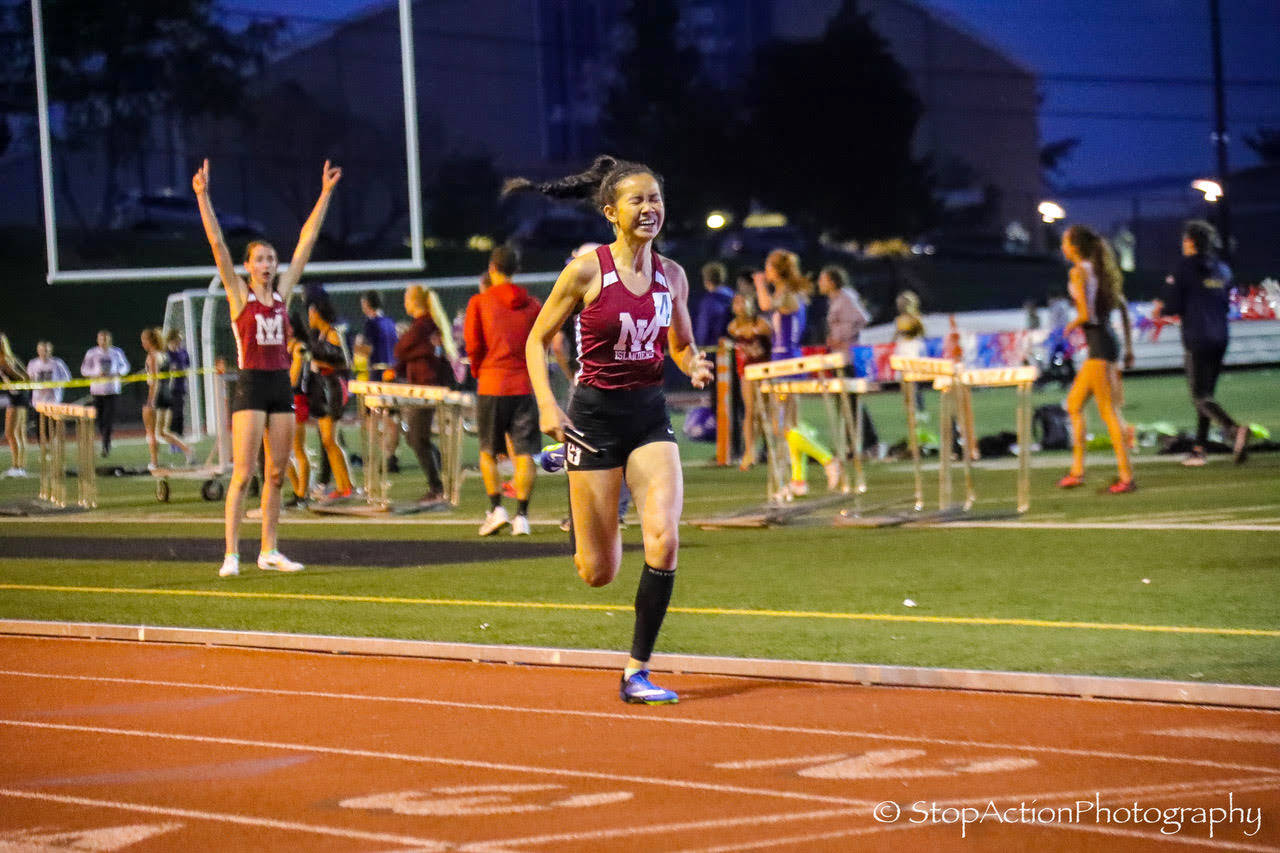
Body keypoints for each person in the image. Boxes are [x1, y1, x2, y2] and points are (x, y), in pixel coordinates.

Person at [511, 154, 713, 705]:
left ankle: (635, 671)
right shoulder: (584, 272)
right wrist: (550, 407)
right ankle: (570, 470)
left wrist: (694, 363)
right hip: (593, 418)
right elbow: (534, 340)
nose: (650, 208)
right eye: (637, 200)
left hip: (649, 417)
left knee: (665, 540)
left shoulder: (673, 275)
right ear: (610, 212)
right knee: (597, 572)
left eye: (656, 198)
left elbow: (679, 342)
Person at [193, 157, 341, 578]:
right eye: (260, 259)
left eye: (271, 258)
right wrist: (203, 197)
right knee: (243, 473)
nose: (268, 263)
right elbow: (219, 246)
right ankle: (231, 555)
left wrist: (325, 194)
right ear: (248, 266)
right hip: (252, 385)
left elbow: (306, 243)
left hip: (281, 384)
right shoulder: (240, 296)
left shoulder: (283, 295)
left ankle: (269, 550)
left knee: (277, 473)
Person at [1152, 219, 1250, 466]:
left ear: (1190, 241)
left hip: (1197, 336)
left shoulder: (1184, 267)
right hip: (1220, 336)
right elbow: (1227, 303)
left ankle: (1232, 429)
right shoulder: (1223, 269)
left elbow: (1172, 305)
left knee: (1200, 396)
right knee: (1207, 396)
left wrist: (1160, 309)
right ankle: (1199, 450)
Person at [465, 245, 543, 536]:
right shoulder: (533, 304)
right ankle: (522, 515)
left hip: (492, 384)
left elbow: (473, 346)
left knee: (487, 450)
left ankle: (496, 509)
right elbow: (541, 343)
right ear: (517, 269)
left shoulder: (480, 302)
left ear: (492, 268)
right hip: (523, 385)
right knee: (524, 454)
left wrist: (478, 371)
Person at [1056, 224, 1135, 493]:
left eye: (1065, 242)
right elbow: (1123, 308)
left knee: (1108, 412)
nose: (1062, 246)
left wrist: (1071, 325)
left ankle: (1126, 476)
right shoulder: (1100, 270)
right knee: (1074, 404)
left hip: (1099, 347)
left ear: (1074, 247)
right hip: (1105, 344)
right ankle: (1077, 471)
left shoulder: (1079, 272)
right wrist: (1128, 348)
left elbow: (1086, 314)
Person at [394, 284, 452, 505]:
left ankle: (437, 488)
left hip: (426, 387)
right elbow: (411, 354)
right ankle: (440, 474)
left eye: (407, 298)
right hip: (424, 385)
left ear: (414, 301)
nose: (404, 303)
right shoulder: (426, 325)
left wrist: (415, 354)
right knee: (414, 437)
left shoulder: (422, 325)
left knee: (418, 438)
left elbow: (400, 349)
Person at [818, 264, 879, 457]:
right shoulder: (835, 299)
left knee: (850, 400)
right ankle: (854, 442)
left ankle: (867, 443)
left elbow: (862, 319)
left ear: (833, 281)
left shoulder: (846, 297)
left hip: (849, 356)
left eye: (823, 279)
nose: (819, 283)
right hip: (839, 356)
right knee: (844, 401)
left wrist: (842, 338)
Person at [307, 297, 355, 501]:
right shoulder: (323, 334)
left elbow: (344, 360)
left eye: (311, 312)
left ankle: (347, 487)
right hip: (324, 388)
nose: (309, 316)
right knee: (328, 441)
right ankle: (344, 486)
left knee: (330, 439)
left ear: (318, 313)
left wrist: (320, 360)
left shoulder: (333, 334)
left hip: (332, 389)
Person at [727, 293, 772, 470]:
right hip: (746, 371)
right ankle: (749, 451)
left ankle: (764, 447)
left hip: (765, 369)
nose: (739, 305)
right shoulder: (733, 326)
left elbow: (762, 333)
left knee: (764, 412)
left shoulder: (760, 323)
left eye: (742, 300)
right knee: (750, 410)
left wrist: (750, 332)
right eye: (736, 302)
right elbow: (737, 333)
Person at [140, 327, 192, 470]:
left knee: (151, 432)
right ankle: (187, 449)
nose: (142, 343)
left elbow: (154, 380)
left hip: (158, 395)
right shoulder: (163, 355)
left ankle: (154, 462)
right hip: (167, 394)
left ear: (149, 341)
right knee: (162, 432)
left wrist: (151, 400)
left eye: (144, 340)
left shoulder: (152, 356)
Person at [80, 330, 130, 456]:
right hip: (97, 391)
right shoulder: (92, 353)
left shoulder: (117, 352)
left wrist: (118, 372)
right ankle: (105, 438)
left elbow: (125, 367)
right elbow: (84, 370)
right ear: (97, 340)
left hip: (112, 390)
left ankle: (106, 444)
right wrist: (96, 374)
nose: (103, 342)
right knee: (100, 419)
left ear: (110, 340)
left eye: (106, 339)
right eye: (101, 339)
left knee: (108, 418)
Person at [892, 291, 927, 415]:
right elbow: (895, 336)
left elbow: (922, 334)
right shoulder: (899, 319)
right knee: (904, 382)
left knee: (914, 381)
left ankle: (920, 409)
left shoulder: (916, 318)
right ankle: (909, 408)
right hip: (902, 349)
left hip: (912, 349)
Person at [0, 333, 29, 477]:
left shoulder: (4, 360)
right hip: (20, 397)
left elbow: (23, 377)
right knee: (19, 432)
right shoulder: (12, 358)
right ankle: (20, 466)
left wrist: (10, 382)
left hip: (17, 398)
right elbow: (27, 376)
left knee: (10, 432)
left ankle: (17, 467)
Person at [164, 330, 191, 439]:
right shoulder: (165, 354)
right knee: (171, 413)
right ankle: (171, 436)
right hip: (167, 387)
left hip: (180, 386)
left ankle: (179, 435)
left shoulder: (183, 352)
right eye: (176, 340)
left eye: (180, 340)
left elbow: (187, 365)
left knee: (179, 412)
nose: (179, 343)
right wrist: (169, 369)